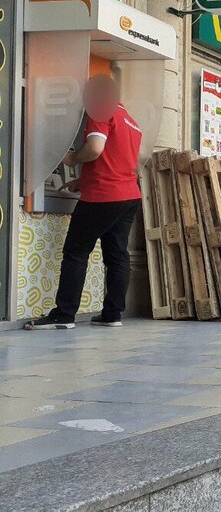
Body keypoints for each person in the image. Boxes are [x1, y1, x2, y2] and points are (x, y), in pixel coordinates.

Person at [25, 75, 143, 330]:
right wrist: (83, 181)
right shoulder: (131, 121)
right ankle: (112, 314)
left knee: (76, 252)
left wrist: (72, 159)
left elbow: (96, 148)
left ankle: (63, 315)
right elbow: (117, 160)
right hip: (128, 195)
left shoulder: (101, 111)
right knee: (117, 255)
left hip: (103, 196)